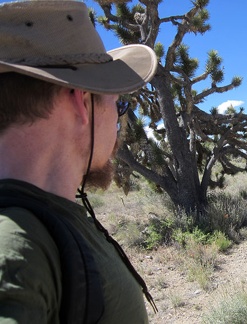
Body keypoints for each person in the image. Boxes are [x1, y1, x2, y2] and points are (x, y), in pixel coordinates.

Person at [0, 0, 158, 323]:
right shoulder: (17, 248)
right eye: (118, 104)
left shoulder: (43, 223)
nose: (118, 119)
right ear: (80, 100)